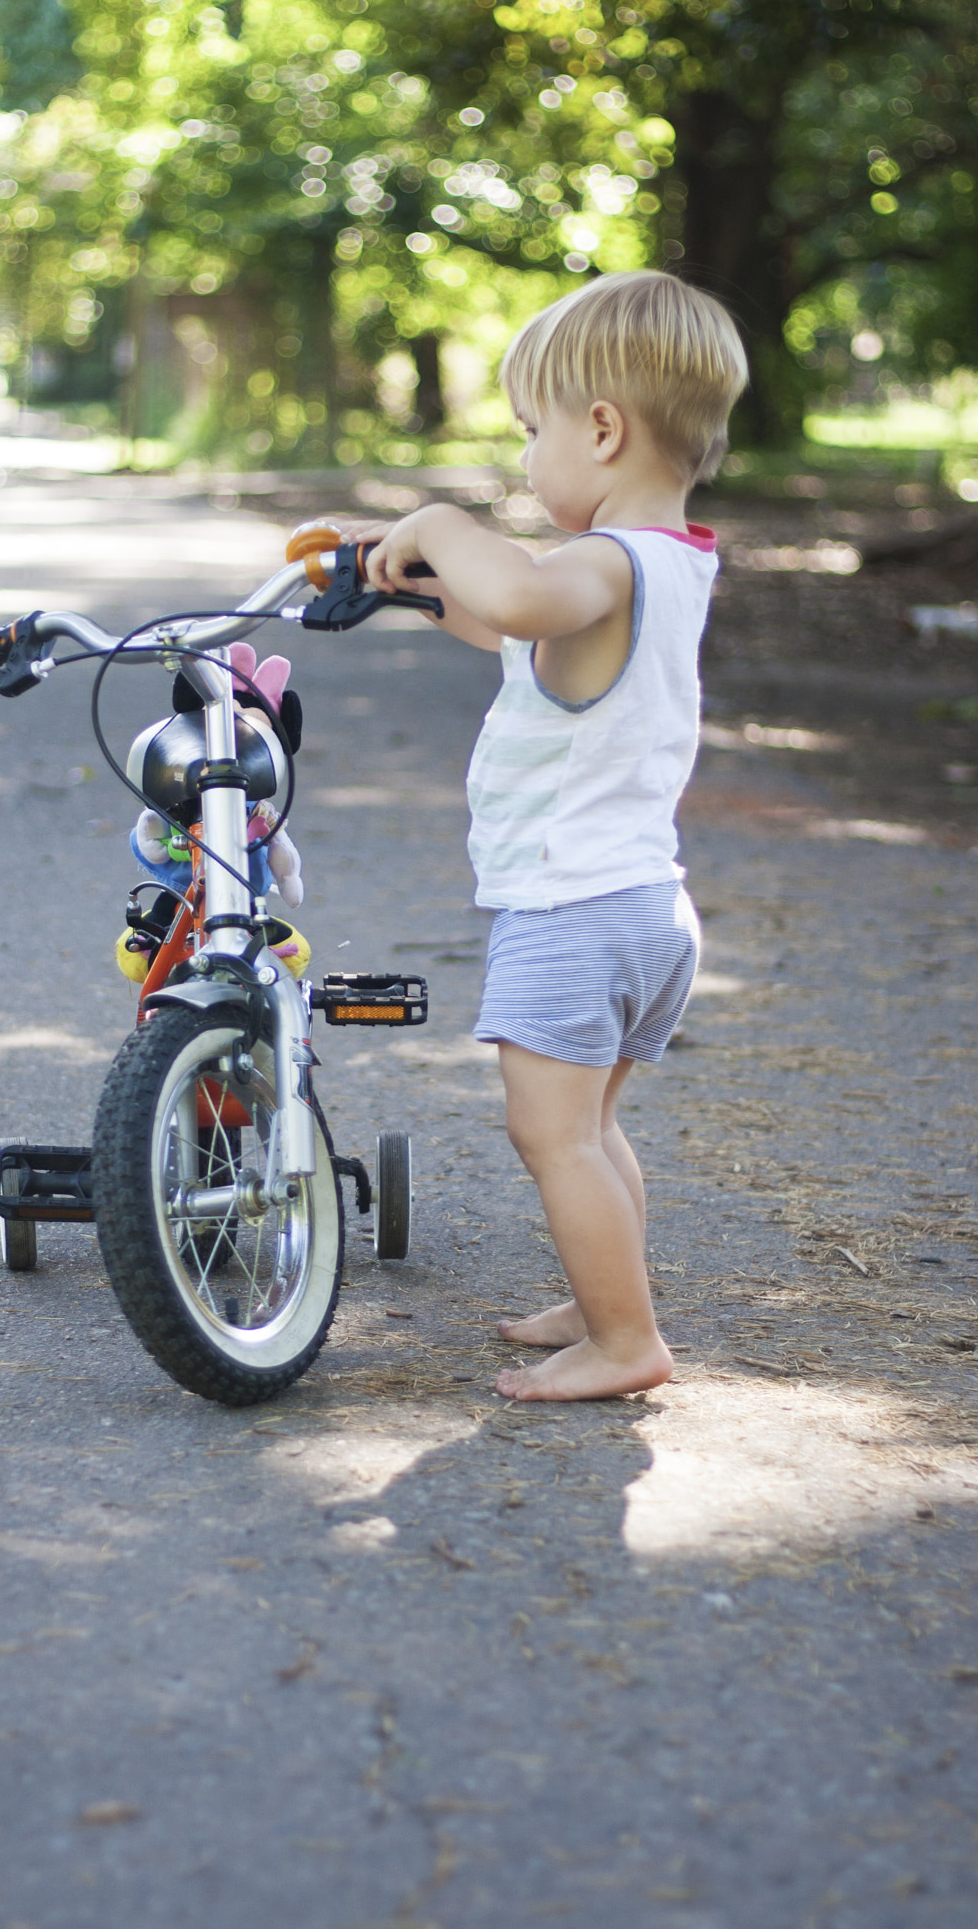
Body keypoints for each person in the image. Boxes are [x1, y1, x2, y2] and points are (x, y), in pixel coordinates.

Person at [345, 268, 748, 1401]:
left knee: (551, 1134)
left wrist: (436, 520)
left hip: (570, 910)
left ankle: (627, 1341)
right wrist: (406, 576)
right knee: (595, 1126)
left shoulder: (595, 564)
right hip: (642, 908)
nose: (527, 457)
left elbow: (522, 596)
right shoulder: (668, 561)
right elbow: (514, 629)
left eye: (533, 431)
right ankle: (602, 1289)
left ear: (603, 428)